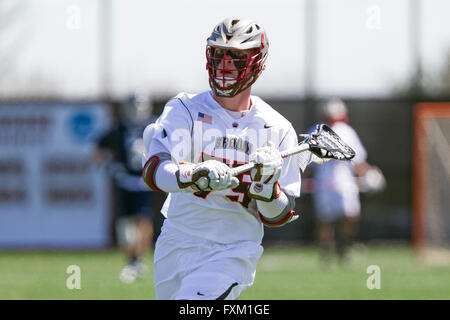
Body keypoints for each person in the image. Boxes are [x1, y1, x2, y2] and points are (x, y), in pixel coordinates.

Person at [141, 18, 321, 300]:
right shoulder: (185, 108)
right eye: (219, 54)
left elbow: (279, 216)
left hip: (232, 250)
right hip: (176, 241)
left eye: (236, 57)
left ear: (256, 62)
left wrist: (266, 187)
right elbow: (154, 171)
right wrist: (196, 174)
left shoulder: (275, 128)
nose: (225, 65)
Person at [310, 98, 385, 267]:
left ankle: (343, 248)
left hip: (345, 181)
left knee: (350, 215)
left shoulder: (347, 132)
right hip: (323, 182)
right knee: (325, 219)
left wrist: (369, 173)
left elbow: (357, 160)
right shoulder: (316, 130)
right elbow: (306, 161)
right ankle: (326, 252)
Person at [94, 92, 156, 283]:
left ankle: (138, 260)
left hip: (146, 181)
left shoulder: (155, 127)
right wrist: (107, 165)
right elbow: (99, 147)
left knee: (143, 221)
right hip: (126, 180)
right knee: (126, 225)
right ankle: (133, 259)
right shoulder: (119, 127)